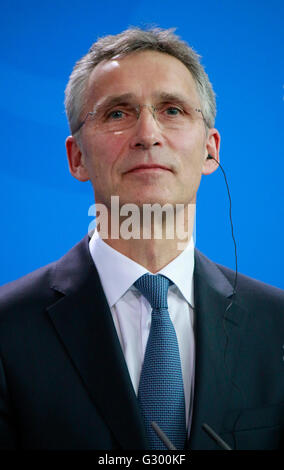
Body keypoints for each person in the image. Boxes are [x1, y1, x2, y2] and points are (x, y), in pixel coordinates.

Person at [0, 27, 283, 451]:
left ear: (211, 150)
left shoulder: (277, 325)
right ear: (77, 157)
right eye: (117, 113)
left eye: (172, 110)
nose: (148, 134)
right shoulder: (7, 329)